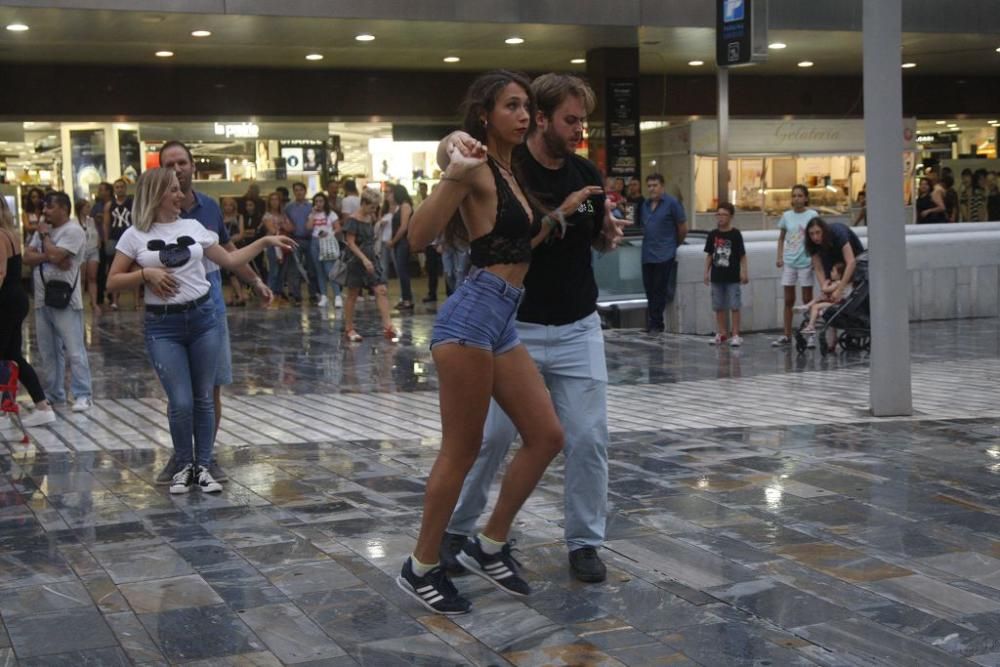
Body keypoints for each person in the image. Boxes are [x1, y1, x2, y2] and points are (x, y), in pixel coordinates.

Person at [396, 70, 577, 616]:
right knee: (462, 449)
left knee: (546, 435)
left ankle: (489, 542)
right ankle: (421, 565)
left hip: (500, 319)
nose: (524, 115)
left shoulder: (508, 169)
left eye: (527, 107)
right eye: (512, 106)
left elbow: (519, 241)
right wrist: (454, 167)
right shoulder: (473, 165)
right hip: (471, 320)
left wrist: (572, 215)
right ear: (485, 115)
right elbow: (418, 238)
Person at [438, 73, 620, 587]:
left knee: (587, 439)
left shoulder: (586, 176)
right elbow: (516, 242)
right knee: (489, 438)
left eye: (583, 119)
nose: (579, 129)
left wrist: (603, 229)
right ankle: (457, 532)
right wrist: (560, 216)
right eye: (570, 119)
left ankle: (585, 542)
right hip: (510, 325)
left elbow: (593, 230)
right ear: (540, 118)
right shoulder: (508, 169)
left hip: (577, 325)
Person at [107, 168, 293, 493]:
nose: (181, 195)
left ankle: (202, 466)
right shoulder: (135, 234)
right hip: (163, 325)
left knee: (204, 397)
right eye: (174, 190)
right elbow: (112, 282)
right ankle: (183, 465)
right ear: (157, 194)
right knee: (180, 401)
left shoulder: (193, 227)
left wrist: (263, 241)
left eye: (180, 189)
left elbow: (230, 260)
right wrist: (146, 274)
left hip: (203, 317)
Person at [156, 141, 273, 486]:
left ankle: (204, 456)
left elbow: (228, 250)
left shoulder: (209, 207)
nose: (176, 169)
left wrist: (254, 281)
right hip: (171, 300)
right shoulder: (151, 209)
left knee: (211, 385)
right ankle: (181, 457)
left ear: (193, 166)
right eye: (169, 164)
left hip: (209, 296)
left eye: (181, 163)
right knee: (179, 389)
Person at [22, 192, 94, 412]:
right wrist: (50, 255)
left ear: (64, 208)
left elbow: (55, 256)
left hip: (66, 301)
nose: (45, 212)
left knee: (74, 349)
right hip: (42, 299)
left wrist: (46, 243)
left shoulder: (73, 231)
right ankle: (55, 393)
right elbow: (27, 257)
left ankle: (83, 394)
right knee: (48, 351)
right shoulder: (46, 229)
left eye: (50, 207)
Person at [0, 195, 54, 428]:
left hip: (5, 300)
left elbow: (0, 273)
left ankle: (5, 409)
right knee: (12, 356)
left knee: (4, 356)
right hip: (15, 298)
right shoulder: (10, 233)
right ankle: (41, 406)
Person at [341, 189, 396, 341]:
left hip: (371, 257)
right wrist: (364, 259)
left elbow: (371, 235)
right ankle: (349, 328)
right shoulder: (353, 220)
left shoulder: (370, 217)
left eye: (376, 207)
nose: (374, 210)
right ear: (363, 203)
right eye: (372, 206)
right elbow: (350, 243)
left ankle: (388, 326)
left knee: (381, 289)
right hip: (357, 259)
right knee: (353, 293)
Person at [640, 173, 687, 333]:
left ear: (662, 186)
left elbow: (682, 227)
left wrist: (674, 244)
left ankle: (657, 324)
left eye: (655, 185)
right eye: (649, 186)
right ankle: (653, 322)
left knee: (659, 290)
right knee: (649, 289)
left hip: (664, 253)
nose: (652, 189)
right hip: (647, 254)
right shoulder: (645, 205)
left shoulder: (672, 203)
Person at [772, 184, 818, 348]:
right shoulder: (786, 216)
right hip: (790, 262)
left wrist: (816, 258)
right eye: (794, 195)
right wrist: (779, 257)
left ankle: (810, 333)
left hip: (806, 261)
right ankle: (786, 334)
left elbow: (817, 237)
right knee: (788, 300)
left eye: (800, 195)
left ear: (806, 198)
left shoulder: (812, 215)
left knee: (807, 299)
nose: (797, 198)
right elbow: (781, 238)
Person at [703, 203, 748, 347]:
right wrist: (706, 272)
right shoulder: (713, 234)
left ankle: (735, 334)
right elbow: (710, 255)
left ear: (731, 217)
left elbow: (742, 255)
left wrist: (744, 271)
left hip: (732, 276)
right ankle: (722, 333)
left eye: (724, 214)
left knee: (734, 305)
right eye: (718, 214)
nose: (720, 217)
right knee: (718, 306)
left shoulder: (735, 234)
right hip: (717, 275)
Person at [805, 217, 865, 305]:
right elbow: (818, 268)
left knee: (852, 295)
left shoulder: (838, 233)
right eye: (811, 234)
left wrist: (840, 289)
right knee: (830, 288)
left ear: (824, 231)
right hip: (831, 261)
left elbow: (851, 262)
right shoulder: (810, 243)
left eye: (818, 232)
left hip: (854, 259)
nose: (815, 237)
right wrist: (824, 289)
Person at [284, 182, 319, 305]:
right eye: (296, 190)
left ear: (305, 191)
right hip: (295, 239)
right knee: (295, 269)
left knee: (312, 267)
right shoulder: (289, 208)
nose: (299, 192)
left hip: (309, 239)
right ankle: (296, 295)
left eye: (301, 190)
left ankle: (313, 294)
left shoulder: (311, 207)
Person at [795, 263, 851, 335]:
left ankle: (811, 325)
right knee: (818, 299)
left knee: (815, 306)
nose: (831, 273)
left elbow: (825, 289)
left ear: (839, 274)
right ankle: (807, 308)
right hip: (834, 302)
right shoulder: (840, 283)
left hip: (836, 304)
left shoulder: (838, 283)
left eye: (833, 271)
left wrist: (825, 283)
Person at [308, 192, 341, 308]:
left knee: (329, 270)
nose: (319, 204)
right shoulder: (312, 214)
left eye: (321, 201)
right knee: (319, 270)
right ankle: (324, 295)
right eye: (316, 201)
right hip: (315, 241)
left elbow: (338, 228)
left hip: (327, 241)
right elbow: (308, 227)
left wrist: (329, 233)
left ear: (325, 202)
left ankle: (337, 295)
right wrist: (312, 214)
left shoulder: (331, 214)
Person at [386, 184, 415, 310]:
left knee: (403, 271)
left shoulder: (405, 206)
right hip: (399, 242)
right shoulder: (398, 207)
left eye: (392, 193)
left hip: (403, 242)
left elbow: (403, 227)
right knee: (400, 271)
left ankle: (407, 299)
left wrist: (393, 241)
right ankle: (405, 297)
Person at [262, 192, 292, 300]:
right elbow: (273, 230)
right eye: (272, 199)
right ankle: (269, 293)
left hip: (284, 244)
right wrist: (282, 226)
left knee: (282, 271)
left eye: (276, 199)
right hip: (272, 245)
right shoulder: (267, 216)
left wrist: (282, 225)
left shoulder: (283, 215)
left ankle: (279, 293)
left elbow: (291, 228)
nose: (274, 202)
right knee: (273, 271)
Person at [76, 198, 101, 315]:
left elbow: (95, 233)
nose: (89, 209)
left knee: (92, 277)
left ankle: (94, 303)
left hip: (93, 250)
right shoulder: (74, 222)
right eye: (87, 207)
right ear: (80, 209)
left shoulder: (91, 220)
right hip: (81, 251)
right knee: (81, 279)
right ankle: (79, 302)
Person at [222, 197, 247, 306]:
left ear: (234, 206)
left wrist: (228, 241)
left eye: (230, 205)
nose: (228, 207)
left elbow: (241, 234)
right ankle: (233, 296)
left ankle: (239, 296)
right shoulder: (220, 218)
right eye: (226, 205)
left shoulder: (239, 217)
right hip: (223, 248)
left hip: (236, 246)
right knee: (229, 274)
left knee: (235, 272)